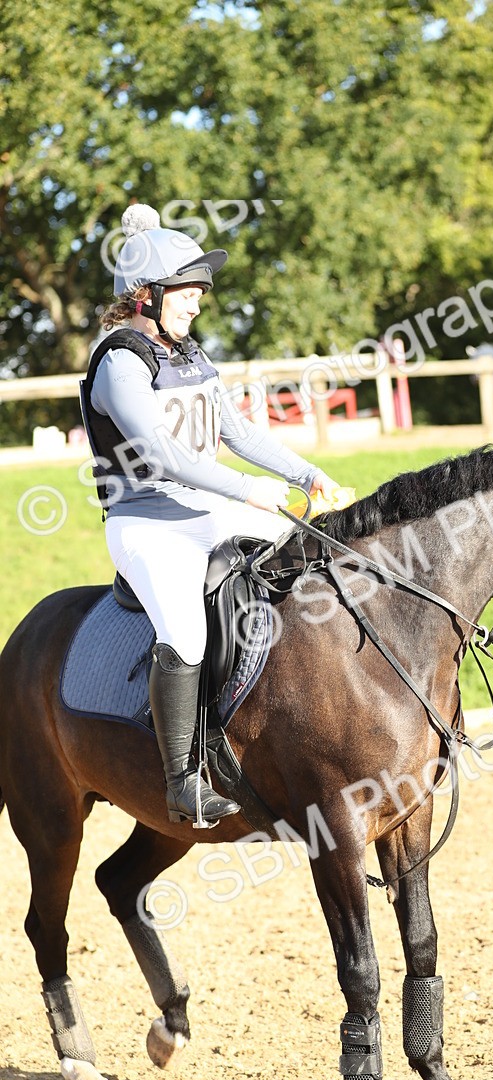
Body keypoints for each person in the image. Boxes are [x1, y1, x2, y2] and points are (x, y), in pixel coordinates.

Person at [84, 204, 338, 827]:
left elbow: (238, 431)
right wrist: (249, 492)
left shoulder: (191, 355)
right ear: (146, 295)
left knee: (310, 563)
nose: (198, 303)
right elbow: (162, 455)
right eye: (187, 291)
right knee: (186, 630)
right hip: (146, 524)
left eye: (200, 291)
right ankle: (182, 780)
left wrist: (303, 473)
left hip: (209, 509)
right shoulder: (120, 361)